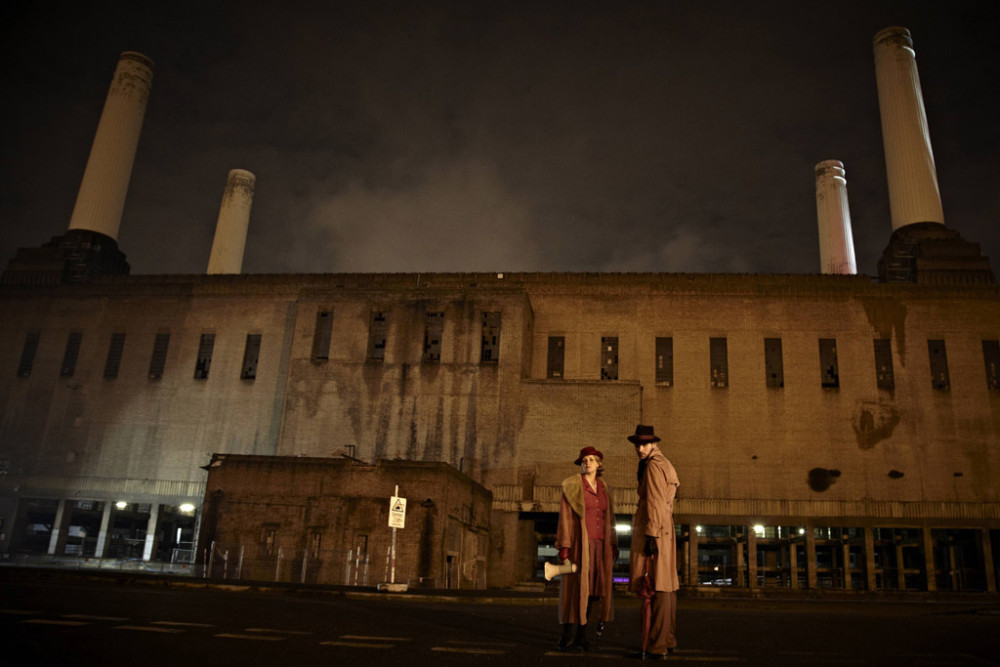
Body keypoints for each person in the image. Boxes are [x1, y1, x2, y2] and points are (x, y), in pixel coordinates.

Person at [554, 445, 618, 652]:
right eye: (584, 460)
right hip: (579, 545)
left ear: (599, 464)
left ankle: (581, 635)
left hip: (600, 545)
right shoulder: (573, 486)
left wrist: (613, 543)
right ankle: (566, 635)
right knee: (574, 590)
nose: (588, 463)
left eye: (591, 459)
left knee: (592, 592)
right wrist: (564, 546)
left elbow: (610, 519)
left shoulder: (604, 488)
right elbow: (565, 517)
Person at [628, 424, 680, 660]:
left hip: (655, 530)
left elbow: (655, 502)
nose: (640, 448)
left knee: (656, 586)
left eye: (644, 444)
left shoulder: (652, 466)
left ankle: (656, 646)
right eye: (637, 444)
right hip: (664, 528)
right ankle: (667, 639)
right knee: (666, 586)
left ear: (654, 444)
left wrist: (651, 535)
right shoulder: (664, 463)